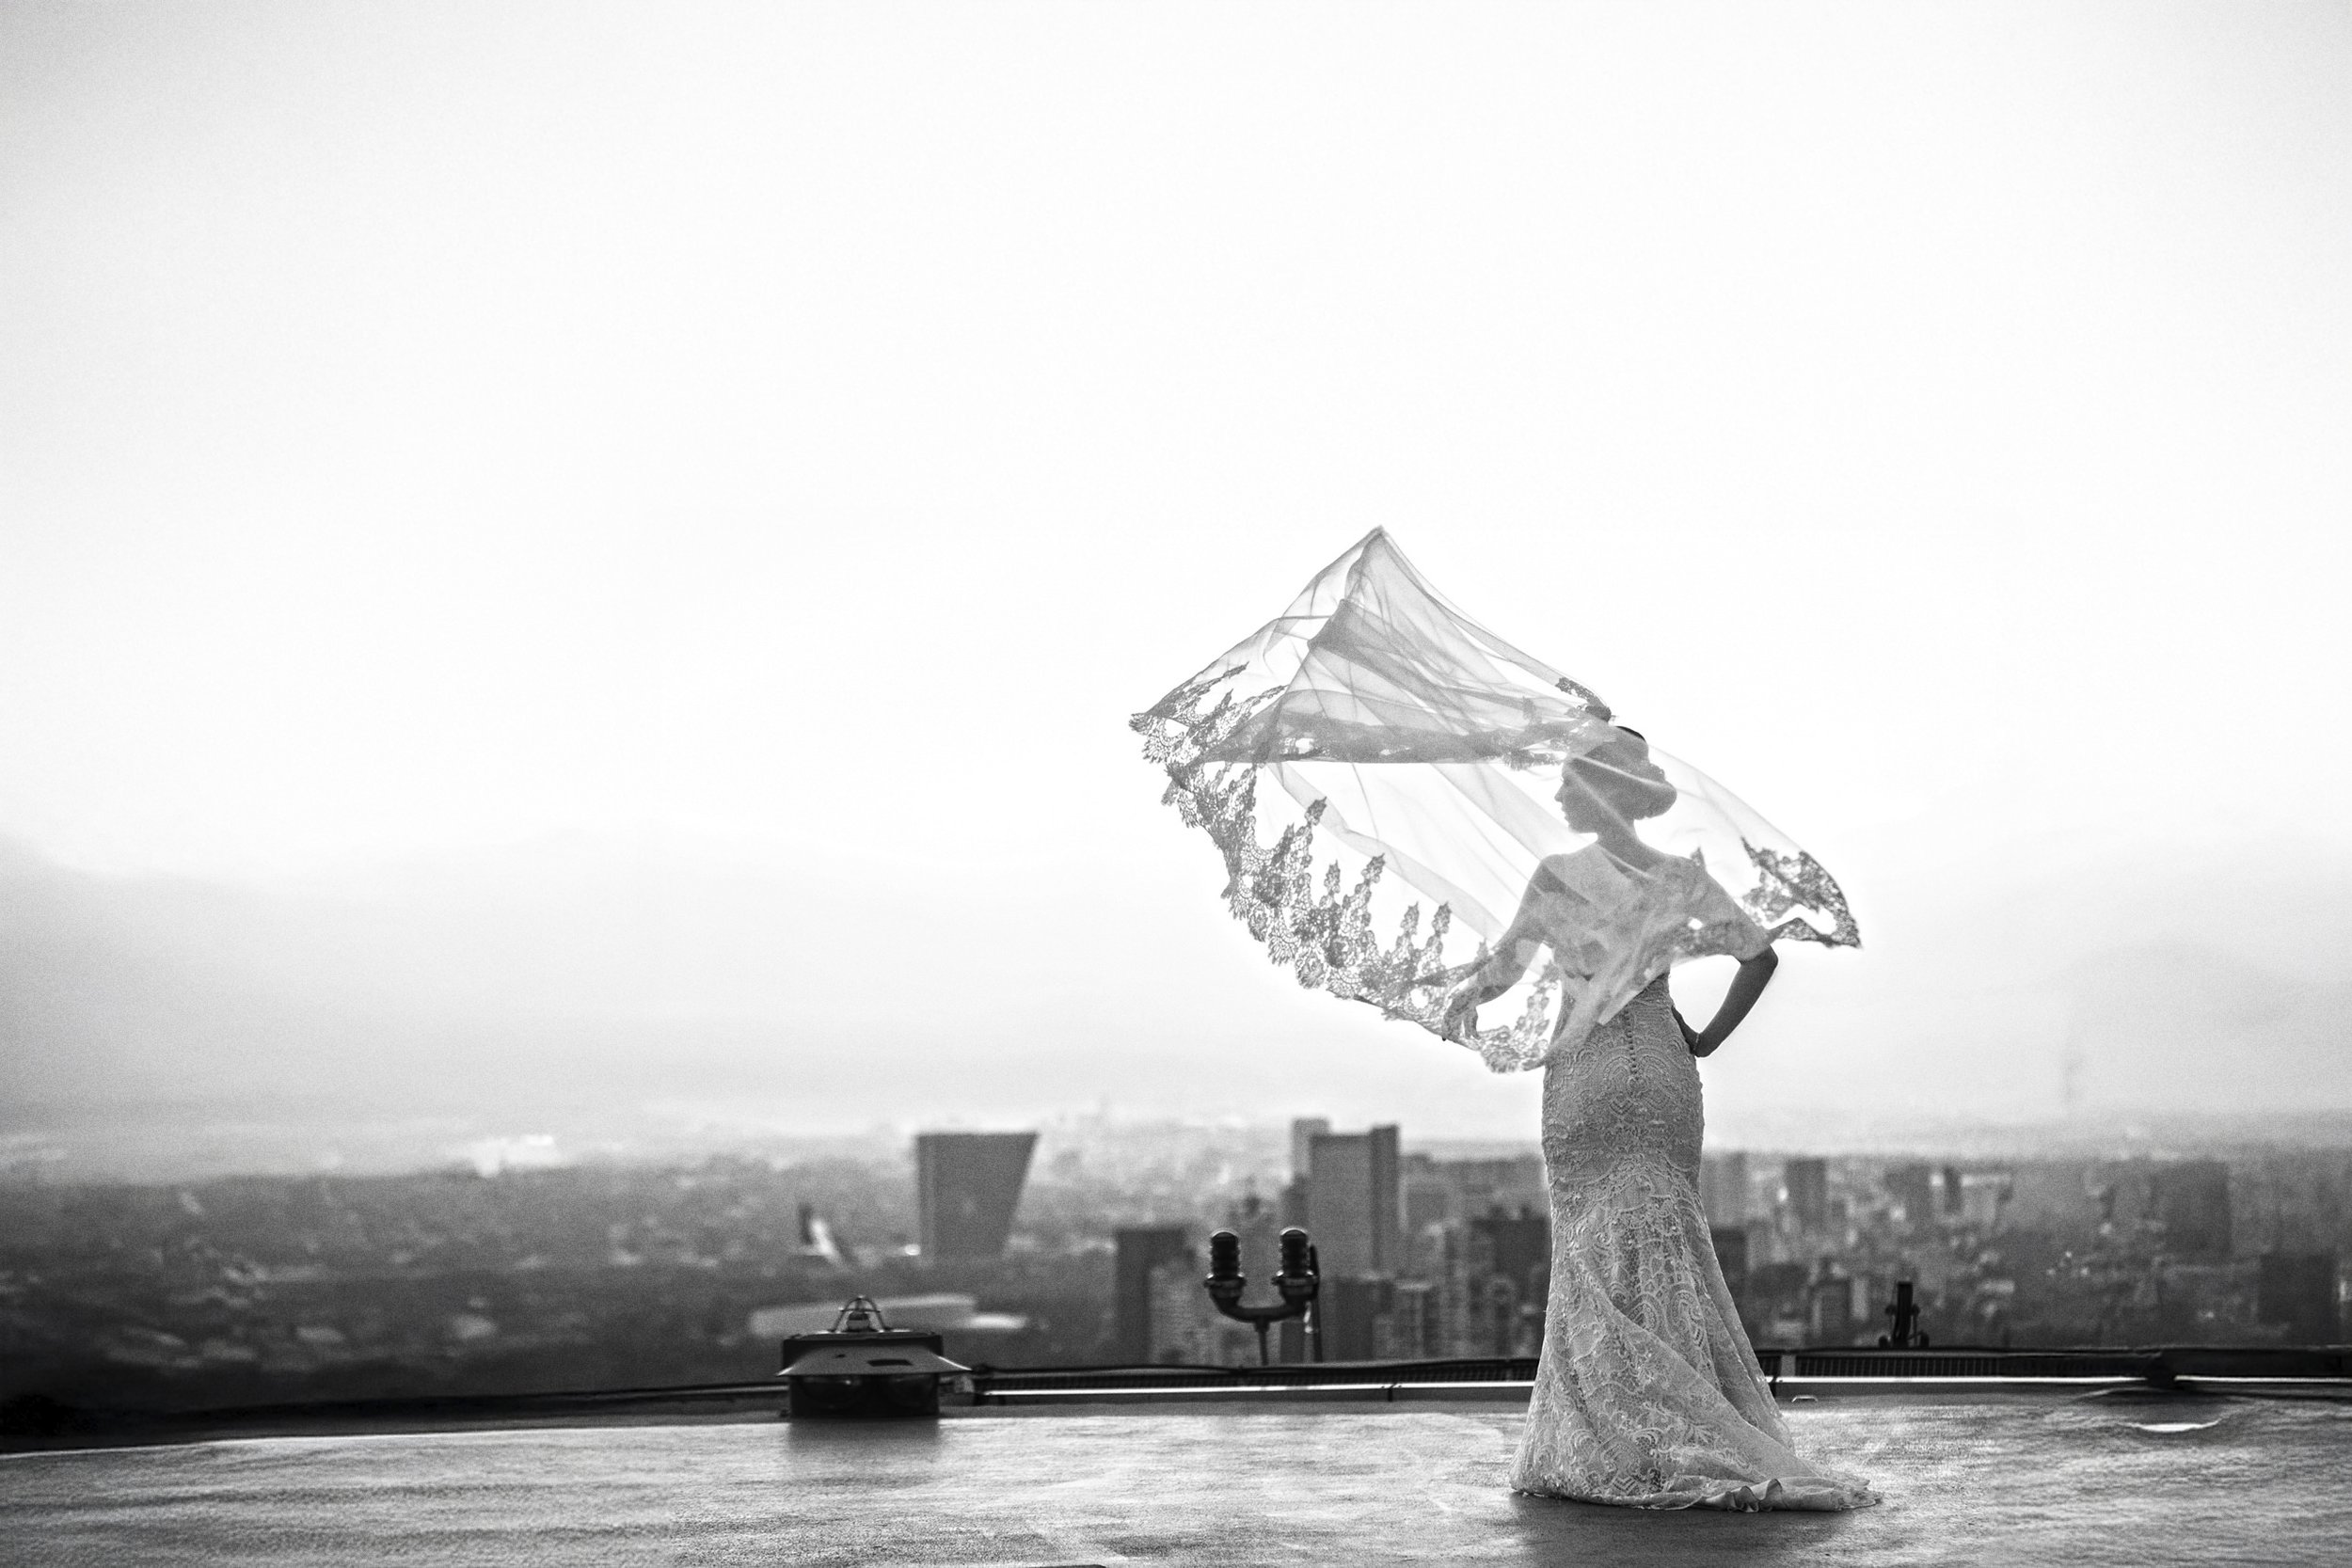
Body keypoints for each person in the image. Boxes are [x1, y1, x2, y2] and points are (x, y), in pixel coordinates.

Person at [1441, 728, 1874, 1511]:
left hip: (1587, 1074)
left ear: (1597, 790)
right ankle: (1684, 1417)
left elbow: (1504, 969)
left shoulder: (1559, 874)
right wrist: (1704, 1038)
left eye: (1570, 781)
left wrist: (1455, 998)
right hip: (1664, 1068)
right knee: (1666, 1238)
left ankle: (1616, 1437)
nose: (1561, 793)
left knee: (1591, 1248)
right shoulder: (1678, 877)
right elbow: (1761, 956)